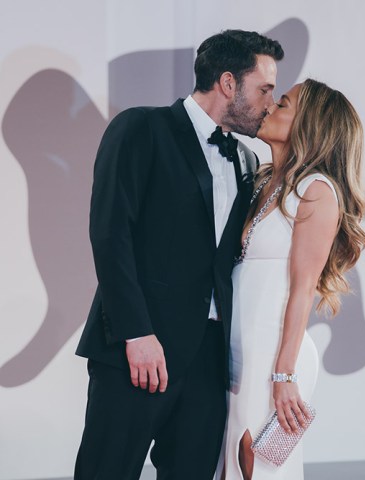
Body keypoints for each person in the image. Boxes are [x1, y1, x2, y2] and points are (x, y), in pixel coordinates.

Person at [74, 30, 284, 480]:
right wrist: (136, 333)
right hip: (137, 351)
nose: (271, 101)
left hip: (209, 363)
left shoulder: (247, 161)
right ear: (228, 83)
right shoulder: (140, 127)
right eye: (265, 88)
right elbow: (110, 234)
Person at [218, 79, 365, 479]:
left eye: (283, 103)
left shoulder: (316, 191)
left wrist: (283, 374)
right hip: (241, 351)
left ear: (309, 124)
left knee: (254, 467)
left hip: (274, 356)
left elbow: (302, 288)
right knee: (231, 462)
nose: (270, 107)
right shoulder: (262, 182)